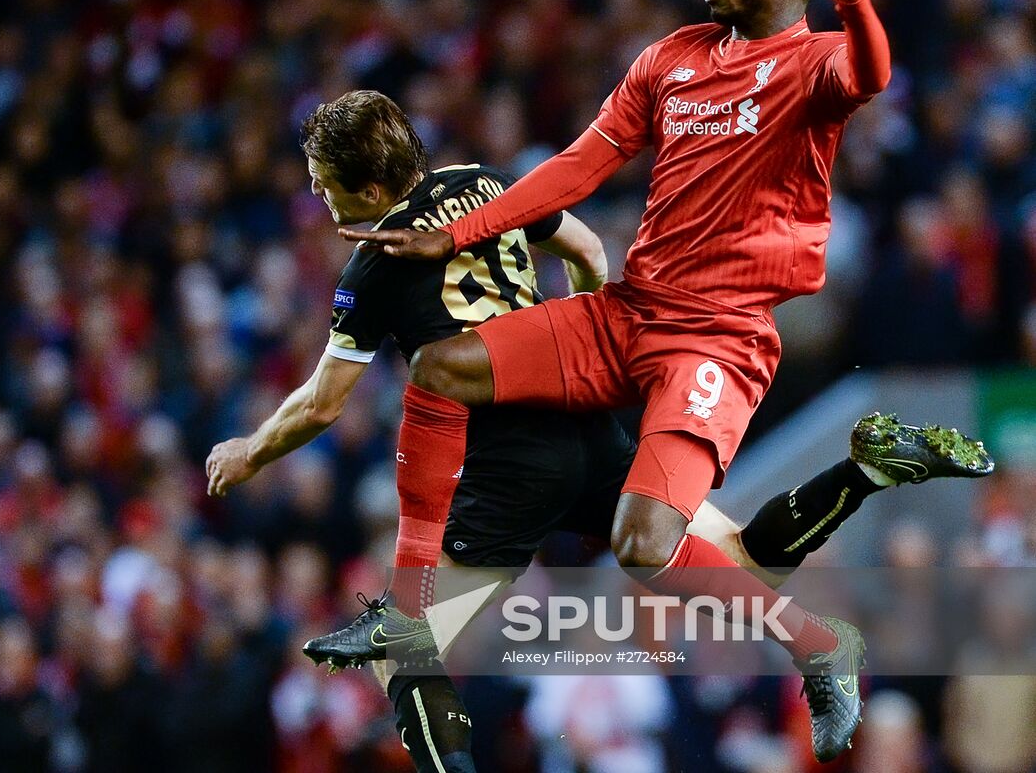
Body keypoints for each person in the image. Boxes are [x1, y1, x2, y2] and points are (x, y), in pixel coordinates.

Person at [206, 89, 992, 773]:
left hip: (506, 461)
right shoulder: (482, 185)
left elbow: (320, 404)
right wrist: (576, 352)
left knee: (403, 653)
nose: (318, 199)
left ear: (371, 185)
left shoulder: (372, 270)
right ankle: (860, 476)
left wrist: (248, 450)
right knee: (746, 562)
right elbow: (586, 250)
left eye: (324, 186)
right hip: (589, 420)